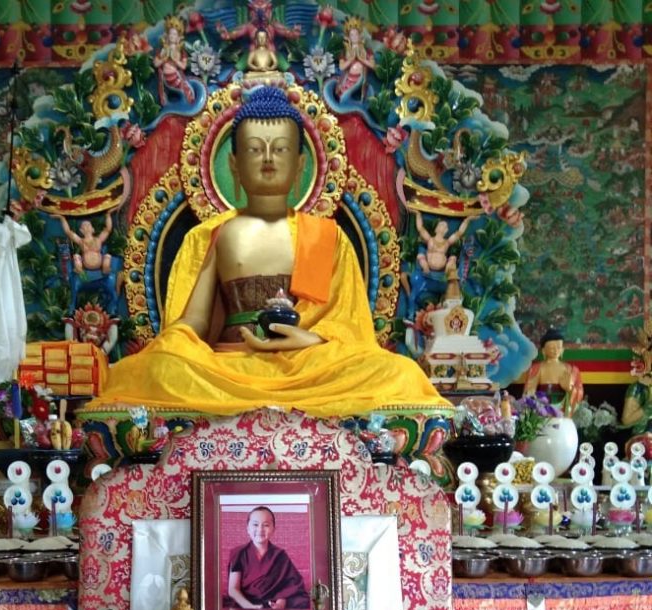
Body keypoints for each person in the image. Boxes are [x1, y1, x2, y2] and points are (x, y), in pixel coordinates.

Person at [87, 86, 451, 419]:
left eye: (280, 149)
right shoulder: (212, 235)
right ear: (233, 163)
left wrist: (310, 339)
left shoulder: (327, 236)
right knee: (154, 369)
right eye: (254, 148)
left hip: (310, 368)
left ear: (301, 164)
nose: (267, 158)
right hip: (229, 368)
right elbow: (194, 323)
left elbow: (352, 329)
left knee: (398, 372)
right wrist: (173, 347)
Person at [227, 506, 309, 610]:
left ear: (273, 529)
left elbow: (290, 586)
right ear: (248, 528)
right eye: (255, 524)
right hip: (245, 602)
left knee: (302, 601)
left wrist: (282, 601)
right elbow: (233, 589)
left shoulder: (280, 555)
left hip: (272, 602)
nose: (260, 529)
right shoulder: (239, 553)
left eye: (266, 525)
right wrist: (249, 606)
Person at [523, 327, 583, 417]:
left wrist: (570, 389)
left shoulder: (570, 369)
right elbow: (529, 392)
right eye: (552, 348)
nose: (556, 350)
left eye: (559, 347)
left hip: (563, 411)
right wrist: (535, 404)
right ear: (543, 350)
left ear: (563, 349)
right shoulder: (537, 368)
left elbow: (578, 392)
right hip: (542, 411)